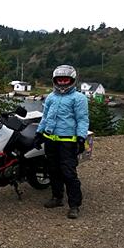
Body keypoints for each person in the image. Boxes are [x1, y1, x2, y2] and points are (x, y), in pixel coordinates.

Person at [33, 65, 89, 219]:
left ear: (72, 80)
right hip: (51, 140)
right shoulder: (51, 97)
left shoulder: (79, 98)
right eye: (60, 80)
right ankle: (57, 198)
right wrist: (39, 133)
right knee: (53, 171)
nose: (63, 83)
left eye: (66, 80)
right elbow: (45, 118)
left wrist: (81, 138)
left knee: (69, 173)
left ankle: (74, 205)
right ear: (55, 81)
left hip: (68, 141)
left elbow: (82, 120)